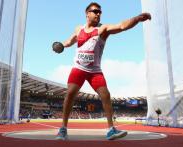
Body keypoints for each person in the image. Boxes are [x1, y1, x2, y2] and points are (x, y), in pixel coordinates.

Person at [55, 2, 151, 140]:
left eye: (100, 12)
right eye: (95, 11)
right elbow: (70, 40)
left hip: (95, 71)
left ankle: (111, 130)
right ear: (87, 13)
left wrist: (137, 18)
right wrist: (61, 45)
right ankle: (63, 129)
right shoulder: (78, 29)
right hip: (78, 69)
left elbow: (122, 26)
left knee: (105, 95)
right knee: (70, 94)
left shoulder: (103, 29)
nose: (98, 14)